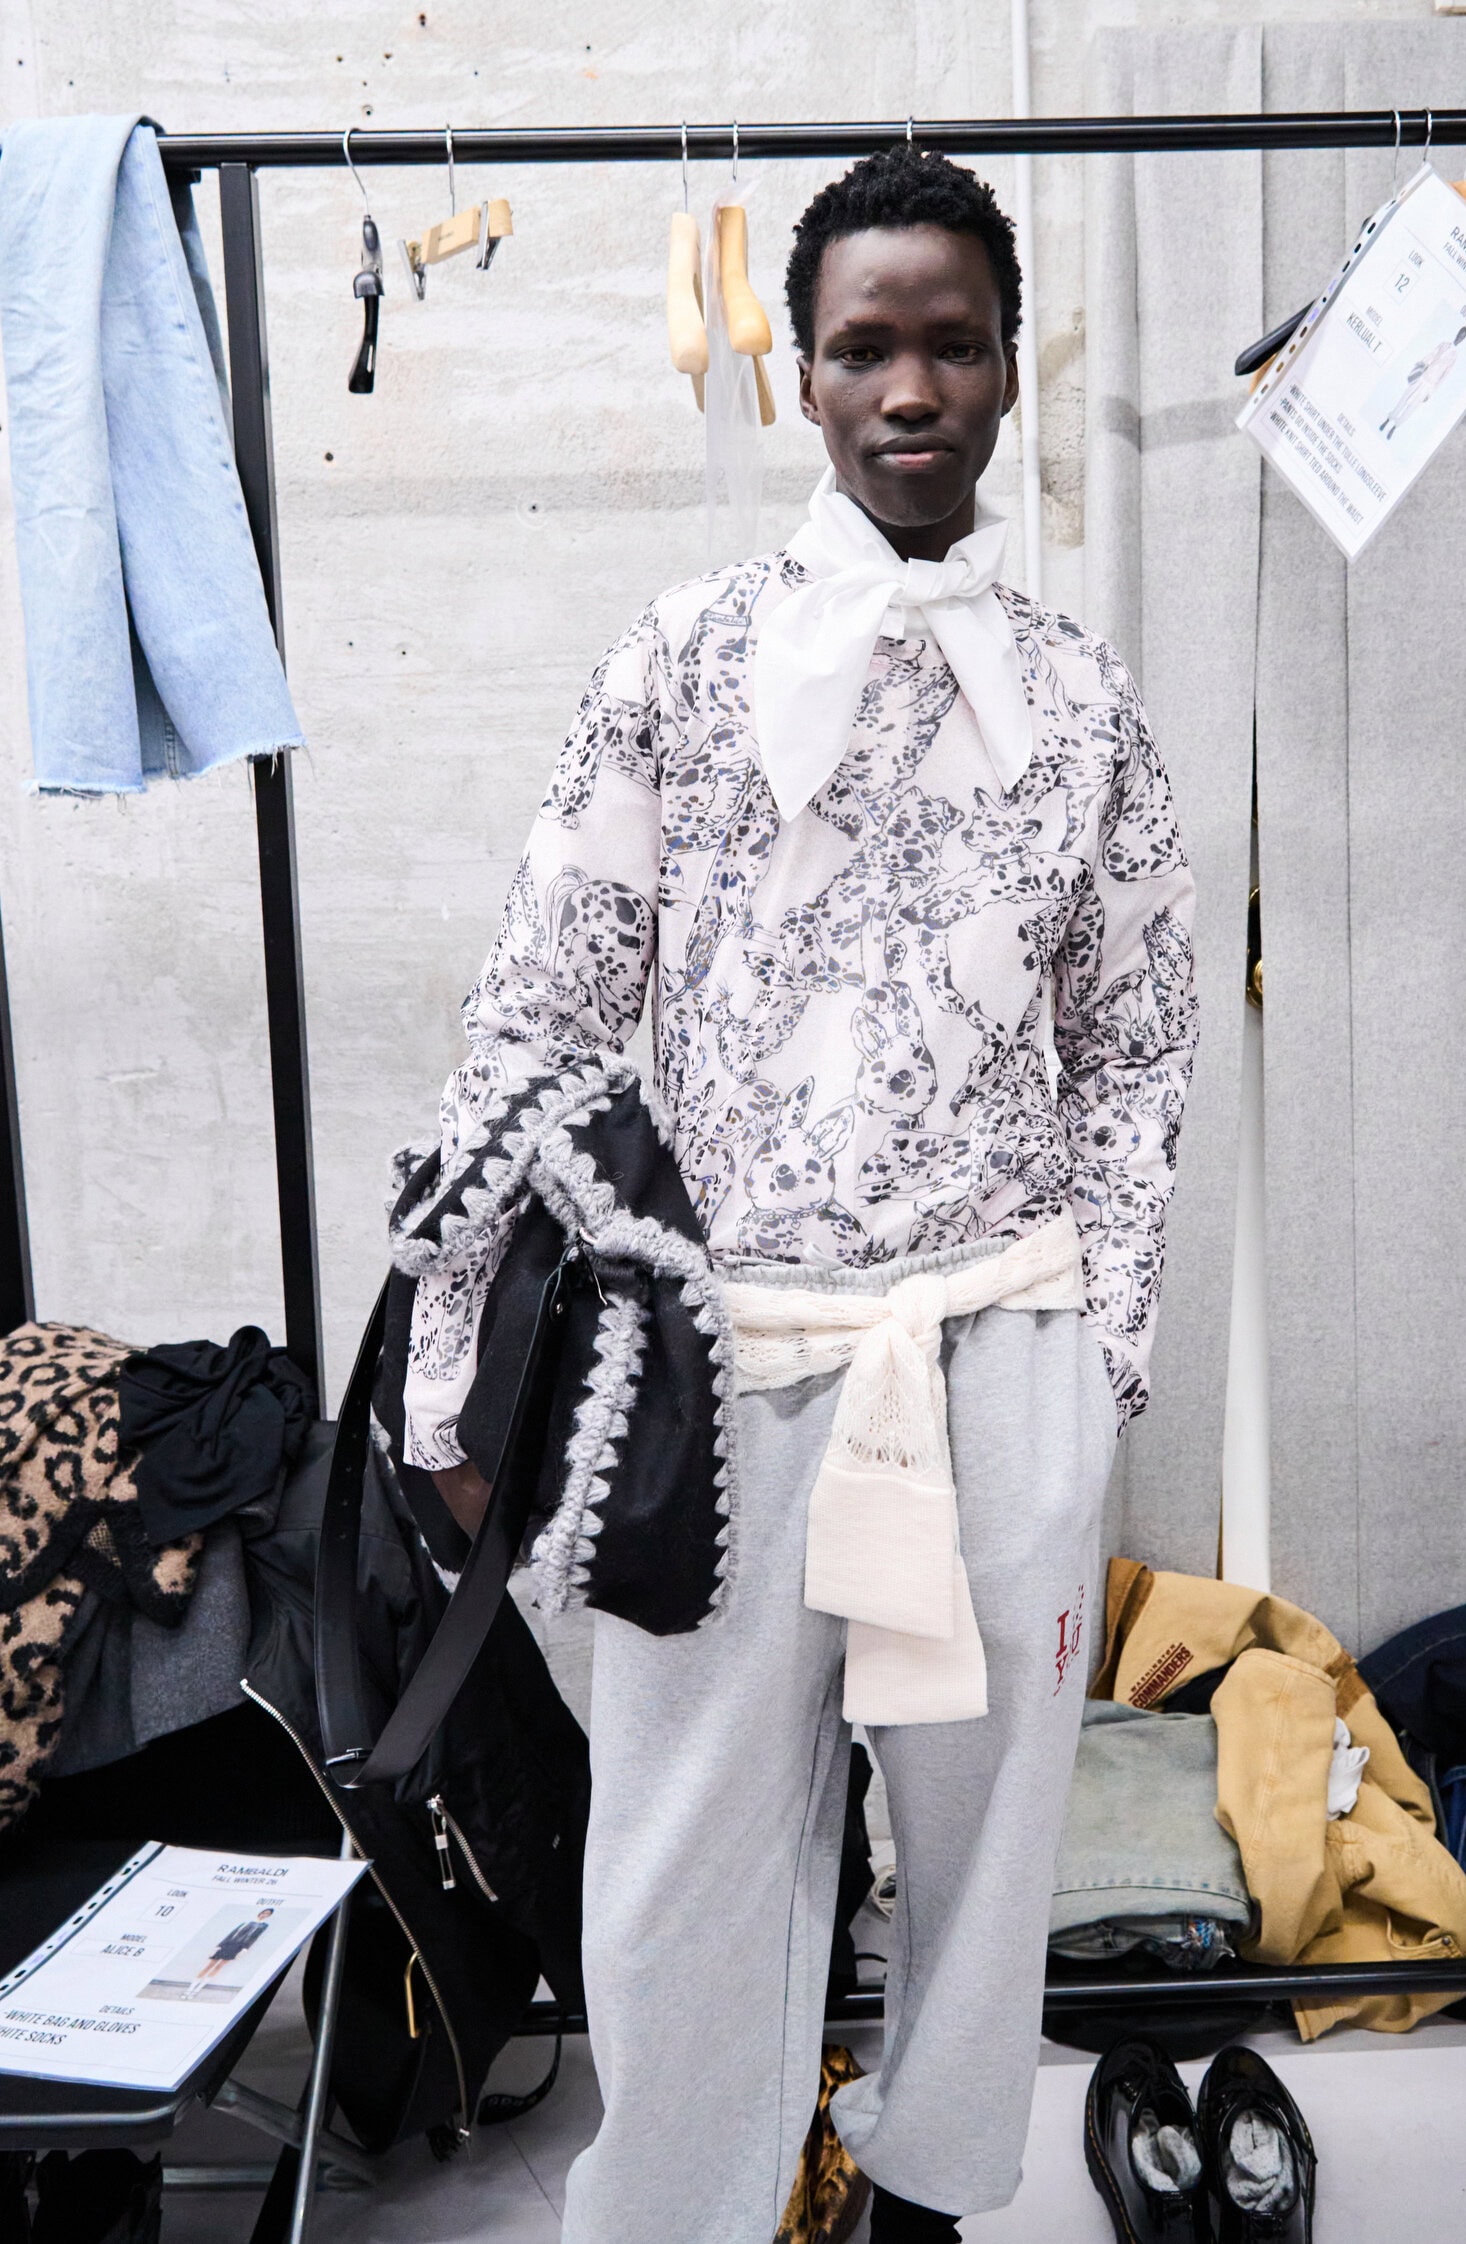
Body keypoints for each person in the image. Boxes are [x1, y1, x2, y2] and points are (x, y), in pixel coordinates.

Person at [410, 147, 1198, 2243]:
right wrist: (445, 1364)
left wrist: (1101, 1346)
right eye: (863, 347)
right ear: (806, 378)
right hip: (723, 1370)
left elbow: (1137, 1038)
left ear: (1009, 371)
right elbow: (539, 1015)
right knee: (680, 1856)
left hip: (995, 1353)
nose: (909, 387)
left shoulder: (1081, 698)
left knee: (984, 1845)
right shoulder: (678, 660)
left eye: (953, 344)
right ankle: (684, 2210)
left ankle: (921, 2203)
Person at [1378, 320, 1466, 438]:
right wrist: (1419, 368)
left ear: (1463, 339)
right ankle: (1389, 419)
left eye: (1462, 337)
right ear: (1457, 333)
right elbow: (1431, 355)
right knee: (1405, 397)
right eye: (1460, 334)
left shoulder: (1454, 357)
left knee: (1412, 407)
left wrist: (1430, 393)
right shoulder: (1444, 344)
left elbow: (1444, 377)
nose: (1460, 337)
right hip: (1422, 376)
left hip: (1430, 385)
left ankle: (1395, 427)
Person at [189, 1905, 276, 1990]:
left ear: (269, 1916)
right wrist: (219, 1945)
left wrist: (245, 1949)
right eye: (264, 1912)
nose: (264, 1915)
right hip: (227, 1944)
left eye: (267, 1914)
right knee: (209, 1965)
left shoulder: (264, 1926)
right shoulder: (247, 1921)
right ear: (260, 1912)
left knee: (219, 1966)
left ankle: (198, 1988)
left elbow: (254, 1937)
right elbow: (232, 1933)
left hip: (237, 1947)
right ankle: (191, 1987)